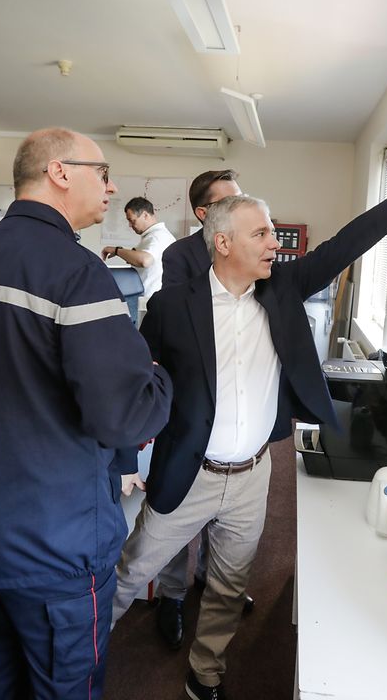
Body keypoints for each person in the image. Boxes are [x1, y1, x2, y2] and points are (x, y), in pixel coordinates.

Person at [111, 147, 387, 699]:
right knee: (130, 574)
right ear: (222, 243)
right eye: (263, 235)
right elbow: (134, 383)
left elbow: (342, 247)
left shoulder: (281, 290)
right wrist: (127, 456)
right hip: (190, 471)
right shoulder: (173, 307)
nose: (276, 243)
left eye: (274, 233)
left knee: (229, 585)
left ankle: (205, 675)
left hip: (253, 476)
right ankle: (76, 661)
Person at [0, 127, 173, 699]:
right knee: (64, 684)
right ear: (59, 172)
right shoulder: (78, 273)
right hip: (57, 541)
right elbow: (125, 418)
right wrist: (159, 374)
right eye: (102, 173)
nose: (112, 187)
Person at [150, 169, 248, 649]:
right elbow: (183, 324)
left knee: (225, 515)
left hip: (236, 406)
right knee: (177, 511)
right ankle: (170, 595)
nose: (241, 204)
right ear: (204, 213)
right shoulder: (180, 256)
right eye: (231, 200)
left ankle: (210, 578)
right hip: (191, 406)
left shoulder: (250, 250)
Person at [160, 169, 242, 288]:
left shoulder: (257, 244)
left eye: (242, 200)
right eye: (230, 202)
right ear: (203, 213)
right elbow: (175, 304)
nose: (241, 208)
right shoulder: (178, 254)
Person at [101, 196, 176, 301]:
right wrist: (122, 252)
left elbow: (144, 260)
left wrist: (117, 250)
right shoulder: (153, 236)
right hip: (149, 299)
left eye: (132, 221)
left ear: (145, 215)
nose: (130, 225)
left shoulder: (158, 236)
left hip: (151, 300)